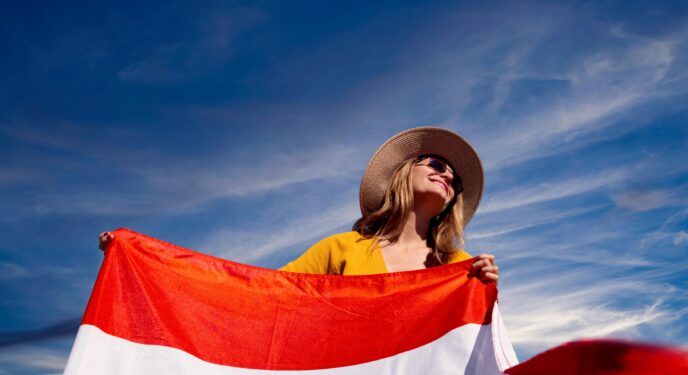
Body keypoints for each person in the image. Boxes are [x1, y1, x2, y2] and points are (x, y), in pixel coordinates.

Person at [100, 127, 498, 282]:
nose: (448, 176)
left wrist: (485, 293)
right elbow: (262, 291)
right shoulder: (341, 250)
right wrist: (145, 260)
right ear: (403, 172)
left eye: (456, 181)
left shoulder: (457, 266)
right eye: (438, 164)